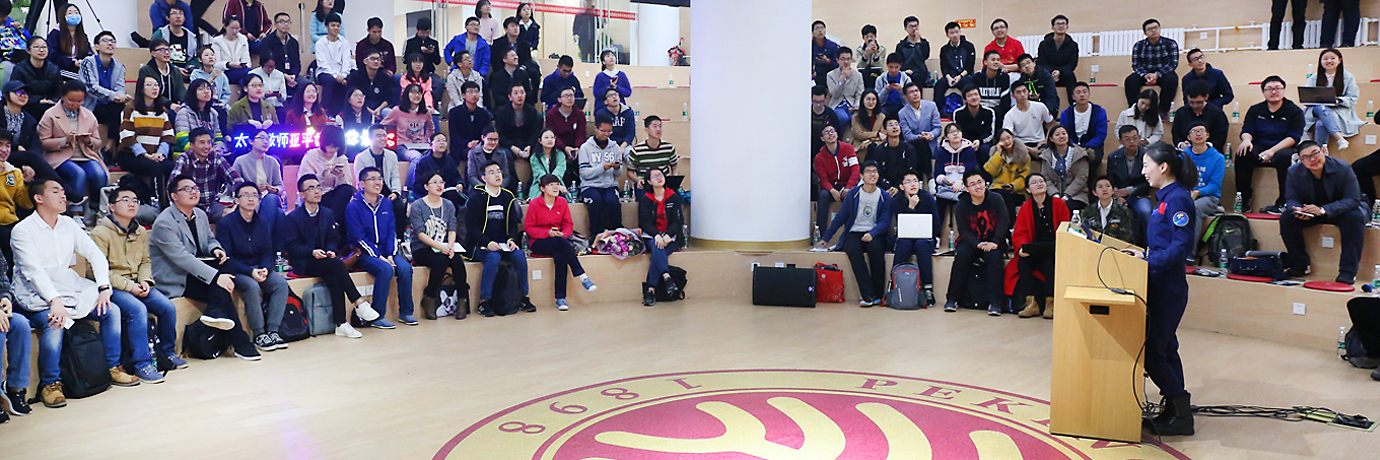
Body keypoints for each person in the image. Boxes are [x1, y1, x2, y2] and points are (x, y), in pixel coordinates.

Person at [12, 178, 143, 409]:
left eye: (63, 191)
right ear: (39, 198)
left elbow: (94, 254)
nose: (63, 195)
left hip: (66, 284)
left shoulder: (68, 224)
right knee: (55, 322)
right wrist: (55, 301)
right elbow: (34, 271)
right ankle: (50, 384)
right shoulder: (22, 230)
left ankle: (112, 367)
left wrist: (104, 287)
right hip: (34, 292)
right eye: (56, 191)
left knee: (111, 310)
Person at [1118, 142, 1198, 437]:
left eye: (1146, 165)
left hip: (1168, 286)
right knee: (1166, 347)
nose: (1143, 171)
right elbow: (1163, 244)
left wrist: (1147, 259)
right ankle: (1176, 410)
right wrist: (1143, 254)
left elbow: (1181, 248)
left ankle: (1180, 410)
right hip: (1159, 282)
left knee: (1153, 351)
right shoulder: (1165, 198)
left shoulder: (1177, 199)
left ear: (1163, 167)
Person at [152, 174, 259, 361]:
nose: (193, 192)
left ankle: (217, 312)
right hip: (176, 276)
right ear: (174, 196)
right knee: (220, 286)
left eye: (195, 188)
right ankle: (240, 341)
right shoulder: (164, 222)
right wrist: (216, 276)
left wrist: (216, 249)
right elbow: (183, 258)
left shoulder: (200, 214)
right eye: (187, 189)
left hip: (196, 271)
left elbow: (209, 239)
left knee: (227, 263)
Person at [283, 174, 377, 334]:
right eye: (311, 188)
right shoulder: (292, 218)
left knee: (335, 275)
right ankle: (358, 302)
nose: (316, 191)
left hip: (326, 260)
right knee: (336, 266)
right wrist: (312, 252)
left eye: (318, 187)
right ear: (302, 194)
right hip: (304, 262)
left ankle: (341, 324)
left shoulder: (327, 213)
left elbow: (333, 238)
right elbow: (292, 247)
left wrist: (331, 250)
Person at [215, 181, 290, 351]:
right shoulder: (225, 224)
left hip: (258, 267)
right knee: (252, 286)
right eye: (246, 195)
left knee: (280, 284)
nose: (251, 199)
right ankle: (259, 334)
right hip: (237, 269)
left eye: (254, 195)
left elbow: (267, 252)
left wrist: (265, 268)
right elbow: (228, 258)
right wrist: (251, 271)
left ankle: (273, 331)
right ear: (236, 200)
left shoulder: (263, 223)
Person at [1280, 140, 1366, 284]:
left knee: (1354, 217)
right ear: (1300, 159)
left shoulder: (1343, 168)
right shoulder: (1293, 171)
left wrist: (1323, 210)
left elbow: (1353, 199)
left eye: (1315, 154)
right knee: (1287, 218)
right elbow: (1291, 198)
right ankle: (1299, 264)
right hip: (1312, 211)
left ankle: (1348, 271)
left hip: (1341, 210)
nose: (1312, 159)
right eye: (1306, 157)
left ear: (1324, 151)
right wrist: (1297, 209)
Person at [347, 166, 415, 327]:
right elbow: (358, 237)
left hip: (386, 250)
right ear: (362, 183)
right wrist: (379, 256)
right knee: (385, 269)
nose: (377, 182)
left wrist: (390, 254)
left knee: (405, 268)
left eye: (379, 179)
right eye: (372, 179)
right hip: (364, 252)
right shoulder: (354, 206)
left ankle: (406, 312)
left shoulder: (386, 203)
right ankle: (377, 315)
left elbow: (392, 230)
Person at [466, 161, 534, 315]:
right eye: (492, 172)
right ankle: (484, 301)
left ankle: (523, 297)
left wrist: (511, 240)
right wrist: (487, 242)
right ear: (484, 178)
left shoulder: (508, 196)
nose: (497, 175)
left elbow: (513, 224)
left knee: (519, 255)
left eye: (498, 171)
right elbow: (472, 228)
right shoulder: (476, 198)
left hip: (503, 243)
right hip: (480, 244)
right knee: (493, 257)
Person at [525, 174, 595, 311]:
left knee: (560, 256)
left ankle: (560, 298)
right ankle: (581, 275)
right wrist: (548, 233)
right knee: (561, 243)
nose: (555, 187)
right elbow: (529, 228)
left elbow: (568, 224)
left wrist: (564, 234)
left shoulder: (562, 202)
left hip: (559, 240)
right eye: (551, 185)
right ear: (542, 188)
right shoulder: (534, 204)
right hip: (539, 242)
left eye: (557, 184)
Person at [943, 170, 1008, 314]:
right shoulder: (962, 204)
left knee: (995, 257)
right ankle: (952, 299)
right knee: (962, 255)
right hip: (971, 241)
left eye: (980, 182)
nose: (978, 186)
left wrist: (995, 241)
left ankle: (995, 303)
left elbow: (1004, 221)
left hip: (993, 240)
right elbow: (963, 230)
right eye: (973, 184)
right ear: (966, 188)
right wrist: (977, 243)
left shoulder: (996, 199)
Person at [1236, 76, 1304, 215]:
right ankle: (1244, 198)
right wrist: (1246, 140)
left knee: (1285, 157)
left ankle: (1283, 202)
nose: (1274, 92)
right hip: (1259, 145)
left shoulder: (1294, 111)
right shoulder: (1255, 110)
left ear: (1284, 90)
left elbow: (1293, 137)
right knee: (1243, 153)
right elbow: (1247, 129)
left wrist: (1272, 151)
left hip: (1283, 147)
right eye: (1269, 89)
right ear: (1263, 92)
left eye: (1278, 88)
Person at [410, 170, 472, 315]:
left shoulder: (449, 205)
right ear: (426, 186)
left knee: (457, 260)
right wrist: (441, 247)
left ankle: (462, 300)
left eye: (441, 182)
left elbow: (452, 228)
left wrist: (450, 246)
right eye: (435, 182)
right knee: (441, 260)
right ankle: (430, 297)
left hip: (444, 245)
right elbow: (420, 234)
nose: (439, 185)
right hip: (422, 247)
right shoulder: (418, 205)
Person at [39, 81, 104, 220]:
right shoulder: (50, 114)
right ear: (62, 97)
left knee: (99, 174)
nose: (75, 104)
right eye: (71, 100)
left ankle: (96, 208)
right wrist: (64, 140)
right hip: (60, 157)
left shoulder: (88, 115)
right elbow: (43, 142)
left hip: (85, 155)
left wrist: (88, 140)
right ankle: (76, 212)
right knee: (78, 173)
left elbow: (98, 142)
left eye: (79, 101)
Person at [1010, 173, 1069, 318]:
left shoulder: (1058, 203)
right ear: (1028, 189)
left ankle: (1051, 304)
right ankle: (1031, 303)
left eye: (1042, 181)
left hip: (1055, 248)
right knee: (1022, 261)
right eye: (1035, 182)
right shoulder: (1026, 207)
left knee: (1049, 262)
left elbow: (1066, 227)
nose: (1039, 184)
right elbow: (1020, 232)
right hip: (1034, 247)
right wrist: (1022, 247)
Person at [118, 75, 175, 219]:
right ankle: (158, 203)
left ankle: (171, 201)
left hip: (155, 154)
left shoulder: (162, 111)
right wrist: (145, 154)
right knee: (155, 167)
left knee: (170, 166)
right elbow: (127, 136)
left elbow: (168, 135)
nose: (154, 88)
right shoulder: (131, 109)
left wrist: (161, 153)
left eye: (156, 85)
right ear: (141, 89)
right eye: (149, 85)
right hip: (131, 155)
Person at [169, 127, 241, 222]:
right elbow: (172, 185)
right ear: (191, 145)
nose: (207, 146)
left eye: (209, 142)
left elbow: (236, 179)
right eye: (202, 143)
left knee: (233, 217)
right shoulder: (184, 158)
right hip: (190, 206)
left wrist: (236, 203)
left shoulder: (216, 157)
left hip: (212, 205)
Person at [637, 168, 684, 307]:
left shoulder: (674, 196)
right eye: (655, 176)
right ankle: (667, 277)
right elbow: (644, 222)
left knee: (657, 254)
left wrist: (669, 234)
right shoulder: (645, 199)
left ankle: (650, 291)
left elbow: (678, 221)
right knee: (657, 246)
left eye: (661, 175)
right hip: (652, 235)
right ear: (649, 181)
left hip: (671, 237)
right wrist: (656, 235)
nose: (659, 178)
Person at [353, 124, 409, 240]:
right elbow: (360, 182)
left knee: (399, 206)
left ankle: (399, 239)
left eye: (384, 135)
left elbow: (395, 177)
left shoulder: (392, 155)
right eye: (379, 136)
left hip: (388, 191)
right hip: (369, 193)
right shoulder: (361, 157)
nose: (383, 138)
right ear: (370, 138)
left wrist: (395, 192)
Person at [80, 31, 133, 155]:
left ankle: (109, 149)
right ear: (97, 46)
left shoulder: (119, 66)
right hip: (89, 106)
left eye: (113, 41)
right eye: (105, 41)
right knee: (116, 107)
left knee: (120, 108)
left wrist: (121, 96)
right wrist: (114, 96)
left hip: (108, 107)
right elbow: (91, 87)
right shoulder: (87, 63)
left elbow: (120, 87)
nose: (110, 43)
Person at [889, 169, 937, 303]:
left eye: (915, 181)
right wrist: (910, 207)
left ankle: (928, 288)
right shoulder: (897, 201)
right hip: (905, 237)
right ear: (901, 186)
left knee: (922, 245)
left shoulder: (927, 198)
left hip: (925, 238)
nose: (913, 184)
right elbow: (901, 224)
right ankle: (894, 284)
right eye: (908, 182)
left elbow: (936, 222)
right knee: (904, 244)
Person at [1303, 48, 1362, 151]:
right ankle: (1340, 138)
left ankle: (1321, 150)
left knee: (1321, 123)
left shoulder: (1348, 77)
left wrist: (1338, 100)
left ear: (1339, 60)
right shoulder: (1314, 77)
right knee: (1320, 106)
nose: (1329, 61)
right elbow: (1306, 96)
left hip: (1338, 110)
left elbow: (1353, 98)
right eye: (1325, 59)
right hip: (1315, 110)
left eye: (1332, 58)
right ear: (1320, 61)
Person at [297, 126, 355, 228]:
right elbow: (304, 183)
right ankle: (331, 225)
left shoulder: (342, 159)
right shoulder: (311, 156)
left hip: (336, 197)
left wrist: (341, 176)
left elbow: (347, 186)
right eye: (329, 145)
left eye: (336, 147)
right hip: (317, 195)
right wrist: (322, 175)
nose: (332, 149)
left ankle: (331, 224)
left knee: (347, 190)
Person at [579, 115, 625, 237]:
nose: (606, 134)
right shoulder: (585, 147)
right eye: (603, 131)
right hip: (590, 186)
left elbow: (619, 174)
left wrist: (616, 167)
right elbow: (584, 173)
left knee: (613, 202)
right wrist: (602, 167)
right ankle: (594, 235)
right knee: (596, 201)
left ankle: (618, 234)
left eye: (609, 131)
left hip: (609, 185)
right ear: (596, 128)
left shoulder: (615, 147)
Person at [229, 129, 285, 228]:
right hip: (250, 198)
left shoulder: (273, 161)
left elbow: (280, 186)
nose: (265, 141)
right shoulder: (240, 161)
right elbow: (233, 186)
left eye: (267, 139)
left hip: (269, 197)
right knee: (280, 215)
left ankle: (260, 233)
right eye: (262, 138)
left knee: (271, 198)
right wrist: (253, 190)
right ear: (251, 141)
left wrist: (275, 189)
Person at [1106, 126, 1153, 243]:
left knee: (1145, 211)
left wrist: (1130, 190)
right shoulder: (1113, 156)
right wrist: (1116, 195)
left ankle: (1148, 245)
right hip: (1118, 195)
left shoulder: (1147, 155)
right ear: (1120, 141)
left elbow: (1151, 181)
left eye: (1134, 138)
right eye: (1127, 139)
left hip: (1139, 194)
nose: (1132, 142)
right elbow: (1110, 179)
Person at [1125, 19, 1179, 120]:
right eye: (1150, 29)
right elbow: (1136, 65)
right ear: (1145, 33)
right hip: (1145, 74)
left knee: (1172, 79)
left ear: (1160, 29)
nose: (1154, 31)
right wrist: (1145, 75)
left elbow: (1173, 64)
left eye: (1155, 28)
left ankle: (1163, 110)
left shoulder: (1170, 43)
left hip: (1163, 74)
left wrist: (1157, 75)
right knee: (1130, 81)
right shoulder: (1138, 46)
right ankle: (1135, 109)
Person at [1183, 122, 1227, 244]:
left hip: (1209, 197)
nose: (1198, 134)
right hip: (1186, 193)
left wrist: (1197, 192)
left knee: (1194, 207)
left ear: (1207, 135)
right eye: (1194, 131)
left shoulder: (1218, 158)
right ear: (1188, 137)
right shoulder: (1183, 156)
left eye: (1201, 131)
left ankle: (1190, 251)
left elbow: (1215, 185)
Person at [494, 84, 542, 192]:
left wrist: (529, 146)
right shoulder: (502, 112)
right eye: (516, 93)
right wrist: (513, 147)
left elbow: (536, 133)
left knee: (538, 154)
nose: (520, 96)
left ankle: (532, 187)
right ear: (510, 96)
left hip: (527, 144)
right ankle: (513, 187)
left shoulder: (532, 111)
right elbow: (500, 135)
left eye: (522, 92)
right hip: (509, 145)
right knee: (504, 155)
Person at [813, 124, 858, 238]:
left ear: (837, 134)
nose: (830, 134)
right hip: (831, 187)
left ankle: (851, 233)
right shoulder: (819, 158)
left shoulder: (848, 148)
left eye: (832, 131)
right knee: (823, 196)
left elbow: (855, 169)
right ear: (822, 138)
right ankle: (822, 233)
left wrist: (848, 187)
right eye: (826, 132)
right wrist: (832, 190)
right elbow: (823, 179)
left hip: (848, 184)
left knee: (851, 195)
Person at [933, 123, 979, 231]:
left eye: (957, 131)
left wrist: (961, 181)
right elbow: (938, 173)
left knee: (968, 200)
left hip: (964, 186)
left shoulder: (969, 150)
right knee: (938, 202)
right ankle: (937, 235)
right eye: (951, 132)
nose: (955, 134)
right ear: (946, 137)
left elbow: (971, 171)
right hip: (946, 186)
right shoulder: (941, 151)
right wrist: (945, 180)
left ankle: (968, 233)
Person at [1035, 125, 1090, 210]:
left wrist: (1066, 196)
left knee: (1064, 208)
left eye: (1064, 134)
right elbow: (1046, 179)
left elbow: (1081, 179)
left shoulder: (1079, 154)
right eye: (1057, 134)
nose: (1061, 136)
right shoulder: (1046, 155)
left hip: (1076, 195)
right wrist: (1055, 195)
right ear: (1051, 139)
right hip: (1052, 195)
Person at [1058, 82, 1109, 172]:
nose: (1082, 95)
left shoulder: (1099, 111)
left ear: (1089, 94)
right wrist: (1074, 146)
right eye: (1078, 92)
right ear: (1073, 96)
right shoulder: (1066, 113)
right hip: (1071, 145)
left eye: (1084, 92)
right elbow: (1064, 133)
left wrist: (1087, 147)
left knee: (1094, 159)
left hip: (1092, 146)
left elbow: (1100, 135)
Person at [984, 129, 1032, 224]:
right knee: (1000, 195)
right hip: (998, 188)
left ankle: (1009, 225)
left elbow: (1025, 177)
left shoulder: (1023, 155)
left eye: (1008, 138)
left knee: (1006, 196)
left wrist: (1013, 186)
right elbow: (990, 171)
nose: (1006, 141)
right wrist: (998, 153)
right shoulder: (996, 155)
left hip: (1017, 190)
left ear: (1013, 138)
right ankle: (1009, 225)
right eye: (1002, 140)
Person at [380, 83, 435, 161]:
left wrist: (426, 139)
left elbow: (431, 128)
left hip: (421, 145)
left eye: (419, 93)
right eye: (413, 92)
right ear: (407, 94)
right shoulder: (397, 110)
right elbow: (382, 125)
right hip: (402, 145)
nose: (417, 95)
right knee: (417, 157)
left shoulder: (425, 112)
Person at [0, 131, 32, 264]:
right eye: (0, 145)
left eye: (8, 145)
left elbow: (25, 204)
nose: (4, 150)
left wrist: (28, 184)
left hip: (10, 221)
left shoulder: (14, 172)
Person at [13, 37, 62, 120]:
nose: (41, 50)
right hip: (27, 106)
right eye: (36, 47)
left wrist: (53, 101)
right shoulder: (20, 69)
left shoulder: (54, 69)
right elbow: (16, 91)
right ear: (28, 50)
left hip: (50, 106)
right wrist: (38, 100)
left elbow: (60, 91)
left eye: (44, 47)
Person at [314, 13, 355, 114]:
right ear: (327, 26)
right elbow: (323, 63)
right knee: (330, 82)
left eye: (338, 26)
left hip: (342, 72)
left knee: (351, 80)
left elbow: (347, 61)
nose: (336, 28)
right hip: (325, 72)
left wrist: (343, 75)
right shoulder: (320, 43)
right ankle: (323, 111)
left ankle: (343, 112)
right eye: (333, 25)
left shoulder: (344, 43)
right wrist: (336, 76)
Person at [1172, 82, 1230, 152]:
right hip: (1186, 152)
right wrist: (1181, 144)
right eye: (1191, 102)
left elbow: (1220, 138)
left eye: (1199, 102)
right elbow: (1176, 134)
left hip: (1210, 152)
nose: (1195, 106)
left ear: (1206, 97)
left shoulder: (1218, 114)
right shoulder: (1181, 112)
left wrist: (1204, 146)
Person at [899, 83, 941, 177]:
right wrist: (920, 137)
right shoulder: (902, 113)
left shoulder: (932, 106)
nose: (915, 94)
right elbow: (907, 135)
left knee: (922, 146)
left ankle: (921, 179)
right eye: (911, 92)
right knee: (920, 144)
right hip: (914, 146)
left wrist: (931, 134)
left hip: (931, 144)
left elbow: (938, 128)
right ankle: (929, 176)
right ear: (906, 97)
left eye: (916, 91)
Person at [410, 132, 464, 204]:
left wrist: (459, 184)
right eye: (438, 140)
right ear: (430, 145)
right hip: (428, 194)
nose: (442, 143)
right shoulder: (423, 162)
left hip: (447, 193)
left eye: (444, 140)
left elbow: (455, 177)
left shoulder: (449, 160)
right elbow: (417, 185)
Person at [175, 79, 225, 156]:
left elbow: (218, 136)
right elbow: (182, 140)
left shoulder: (213, 113)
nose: (206, 91)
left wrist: (218, 148)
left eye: (208, 88)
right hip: (187, 155)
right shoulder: (184, 112)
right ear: (193, 93)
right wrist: (204, 151)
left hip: (210, 154)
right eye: (201, 89)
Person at [933, 21, 975, 112]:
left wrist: (960, 76)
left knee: (969, 84)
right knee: (939, 85)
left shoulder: (969, 46)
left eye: (956, 32)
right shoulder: (944, 49)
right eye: (952, 33)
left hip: (964, 75)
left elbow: (970, 66)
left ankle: (969, 110)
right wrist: (949, 78)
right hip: (950, 76)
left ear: (960, 32)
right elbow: (944, 67)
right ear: (947, 35)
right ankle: (939, 111)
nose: (955, 35)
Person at [626, 116, 678, 188]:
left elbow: (674, 167)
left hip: (664, 185)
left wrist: (674, 182)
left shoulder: (669, 147)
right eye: (654, 126)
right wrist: (638, 180)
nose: (658, 129)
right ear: (646, 130)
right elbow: (630, 172)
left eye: (660, 126)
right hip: (645, 185)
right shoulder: (637, 150)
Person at [346, 49, 398, 122]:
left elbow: (389, 98)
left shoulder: (385, 77)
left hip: (380, 109)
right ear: (365, 61)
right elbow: (350, 95)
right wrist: (369, 111)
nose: (376, 61)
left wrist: (379, 109)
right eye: (373, 59)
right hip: (361, 108)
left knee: (388, 112)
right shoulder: (355, 76)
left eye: (378, 59)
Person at [1085, 175, 1139, 244]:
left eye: (1107, 186)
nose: (1104, 189)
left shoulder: (1123, 210)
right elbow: (1085, 231)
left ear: (1113, 190)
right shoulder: (1089, 210)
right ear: (1094, 192)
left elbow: (1126, 237)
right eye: (1100, 187)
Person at [1038, 15, 1079, 103]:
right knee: (1040, 76)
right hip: (1048, 74)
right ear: (1053, 27)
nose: (1060, 26)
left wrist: (1059, 72)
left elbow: (1072, 64)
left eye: (1063, 24)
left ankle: (1074, 103)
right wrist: (1051, 72)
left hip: (1064, 75)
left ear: (1067, 27)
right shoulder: (1044, 44)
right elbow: (1041, 62)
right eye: (1058, 24)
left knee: (1070, 75)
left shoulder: (1073, 45)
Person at [545, 86, 584, 179]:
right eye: (566, 96)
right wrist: (565, 148)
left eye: (571, 95)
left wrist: (577, 147)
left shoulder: (580, 114)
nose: (569, 98)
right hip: (558, 146)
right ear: (559, 99)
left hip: (575, 146)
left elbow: (581, 134)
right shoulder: (551, 114)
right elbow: (552, 135)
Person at [870, 117, 917, 193]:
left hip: (904, 187)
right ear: (885, 131)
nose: (894, 127)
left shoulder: (909, 149)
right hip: (884, 188)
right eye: (890, 125)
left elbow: (911, 170)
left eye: (896, 124)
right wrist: (888, 187)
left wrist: (898, 187)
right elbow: (877, 172)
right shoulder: (879, 150)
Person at [448, 81, 491, 164]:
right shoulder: (454, 113)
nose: (474, 95)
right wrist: (468, 143)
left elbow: (487, 133)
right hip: (461, 147)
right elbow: (454, 136)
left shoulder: (484, 114)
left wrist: (479, 143)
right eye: (470, 92)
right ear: (463, 95)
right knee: (473, 154)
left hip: (480, 146)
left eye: (476, 91)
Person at [149, 8, 197, 76]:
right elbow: (154, 54)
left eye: (180, 13)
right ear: (167, 17)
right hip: (166, 71)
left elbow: (196, 56)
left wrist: (190, 66)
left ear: (184, 18)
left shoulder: (192, 37)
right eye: (174, 13)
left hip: (187, 72)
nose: (178, 16)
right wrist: (174, 68)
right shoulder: (160, 34)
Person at [189, 46, 231, 124]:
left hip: (218, 105)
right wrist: (211, 78)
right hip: (201, 105)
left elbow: (226, 93)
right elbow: (195, 90)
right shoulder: (195, 74)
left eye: (212, 55)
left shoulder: (221, 74)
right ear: (200, 59)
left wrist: (223, 102)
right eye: (206, 55)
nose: (210, 57)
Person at [491, 17, 538, 85]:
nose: (515, 28)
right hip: (503, 69)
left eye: (517, 26)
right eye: (512, 26)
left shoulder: (524, 43)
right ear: (506, 29)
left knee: (534, 72)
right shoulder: (498, 43)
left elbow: (528, 60)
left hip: (520, 69)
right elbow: (495, 61)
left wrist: (522, 67)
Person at [45, 4, 90, 73]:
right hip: (60, 71)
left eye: (76, 12)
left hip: (79, 70)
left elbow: (87, 51)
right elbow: (52, 55)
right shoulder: (55, 34)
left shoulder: (82, 35)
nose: (74, 15)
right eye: (70, 13)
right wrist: (72, 63)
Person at [972, 50, 1012, 128]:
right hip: (980, 109)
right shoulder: (977, 77)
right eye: (993, 60)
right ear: (985, 62)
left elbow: (1005, 102)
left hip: (997, 111)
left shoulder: (1004, 77)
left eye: (998, 60)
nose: (996, 62)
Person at [826, 46, 864, 129]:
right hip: (837, 104)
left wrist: (856, 105)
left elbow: (860, 93)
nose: (846, 62)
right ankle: (838, 135)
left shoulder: (858, 75)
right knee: (843, 118)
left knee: (855, 119)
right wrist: (841, 79)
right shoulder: (830, 75)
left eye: (848, 59)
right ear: (837, 60)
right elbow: (834, 94)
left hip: (851, 104)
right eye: (843, 59)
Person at [258, 12, 301, 84]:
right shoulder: (267, 41)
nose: (286, 24)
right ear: (275, 24)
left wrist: (293, 75)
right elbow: (266, 63)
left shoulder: (294, 42)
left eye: (288, 22)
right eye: (282, 22)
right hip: (273, 75)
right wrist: (284, 76)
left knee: (307, 85)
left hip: (292, 76)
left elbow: (297, 63)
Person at [211, 16, 253, 88]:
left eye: (237, 28)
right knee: (249, 73)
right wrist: (228, 64)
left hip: (241, 70)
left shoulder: (243, 39)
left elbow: (247, 60)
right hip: (225, 72)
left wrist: (242, 65)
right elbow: (215, 64)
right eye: (232, 28)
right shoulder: (217, 41)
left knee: (245, 79)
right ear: (225, 26)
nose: (234, 31)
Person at [953, 86, 997, 154]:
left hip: (983, 142)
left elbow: (990, 133)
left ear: (980, 97)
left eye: (976, 94)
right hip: (964, 143)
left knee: (984, 149)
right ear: (965, 100)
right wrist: (968, 143)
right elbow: (959, 132)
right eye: (970, 96)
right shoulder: (958, 113)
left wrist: (979, 141)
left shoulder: (989, 112)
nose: (974, 97)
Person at [400, 53, 440, 126]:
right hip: (409, 106)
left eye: (420, 62)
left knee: (432, 117)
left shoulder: (427, 78)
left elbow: (427, 93)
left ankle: (434, 134)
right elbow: (406, 95)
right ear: (410, 64)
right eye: (415, 62)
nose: (418, 64)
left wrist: (428, 106)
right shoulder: (404, 78)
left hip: (423, 105)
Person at [528, 129, 567, 199]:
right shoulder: (535, 157)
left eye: (552, 137)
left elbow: (560, 171)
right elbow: (539, 174)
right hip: (540, 185)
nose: (550, 140)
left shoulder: (560, 155)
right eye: (546, 137)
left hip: (557, 184)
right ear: (540, 141)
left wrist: (554, 185)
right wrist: (549, 185)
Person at [594, 88, 635, 153]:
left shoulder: (628, 112)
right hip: (607, 144)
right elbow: (602, 134)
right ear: (605, 101)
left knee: (629, 153)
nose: (614, 97)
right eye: (610, 95)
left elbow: (630, 132)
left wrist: (623, 147)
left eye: (616, 94)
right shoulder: (601, 114)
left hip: (624, 145)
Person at [896, 16, 931, 86]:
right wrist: (904, 71)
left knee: (917, 77)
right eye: (911, 26)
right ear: (905, 28)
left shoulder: (924, 43)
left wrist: (918, 43)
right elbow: (898, 61)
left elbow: (924, 57)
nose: (914, 29)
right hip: (906, 71)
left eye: (916, 26)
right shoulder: (901, 45)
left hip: (920, 72)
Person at [848, 91, 885, 158]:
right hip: (860, 144)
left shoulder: (881, 117)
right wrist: (877, 134)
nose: (871, 102)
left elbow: (883, 135)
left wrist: (869, 140)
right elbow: (859, 134)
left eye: (873, 99)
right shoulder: (856, 117)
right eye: (868, 99)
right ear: (862, 101)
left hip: (876, 144)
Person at [873, 53, 910, 117]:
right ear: (887, 65)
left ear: (900, 66)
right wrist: (885, 90)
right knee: (880, 115)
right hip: (885, 106)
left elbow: (909, 101)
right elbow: (877, 101)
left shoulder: (906, 79)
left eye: (896, 67)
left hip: (901, 106)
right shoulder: (880, 79)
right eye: (891, 67)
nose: (893, 70)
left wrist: (901, 91)